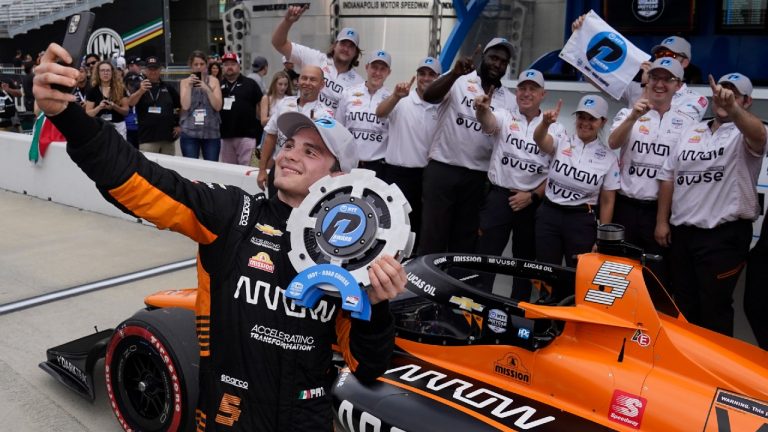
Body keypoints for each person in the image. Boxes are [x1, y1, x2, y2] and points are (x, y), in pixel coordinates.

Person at [34, 42, 406, 432]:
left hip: (306, 419)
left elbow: (366, 366)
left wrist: (377, 308)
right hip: (228, 414)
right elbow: (143, 183)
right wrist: (70, 117)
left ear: (338, 177)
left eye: (311, 151)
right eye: (289, 144)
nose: (290, 154)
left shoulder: (354, 256)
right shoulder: (234, 214)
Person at [656, 73, 767, 337]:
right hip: (682, 234)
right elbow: (669, 176)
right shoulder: (691, 130)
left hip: (722, 238)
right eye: (721, 92)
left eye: (733, 94)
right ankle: (686, 374)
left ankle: (715, 376)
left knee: (714, 310)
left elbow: (759, 136)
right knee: (683, 307)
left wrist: (733, 109)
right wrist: (662, 221)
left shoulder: (746, 131)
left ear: (747, 101)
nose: (724, 97)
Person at [418, 37, 518, 254]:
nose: (497, 64)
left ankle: (454, 287)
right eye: (493, 58)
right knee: (433, 234)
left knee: (464, 239)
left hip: (477, 177)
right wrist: (454, 74)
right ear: (484, 57)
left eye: (503, 61)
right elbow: (429, 96)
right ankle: (424, 287)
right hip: (443, 169)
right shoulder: (460, 79)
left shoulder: (509, 100)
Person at [607, 57, 697, 286]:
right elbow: (613, 143)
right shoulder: (629, 113)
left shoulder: (688, 122)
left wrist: (662, 220)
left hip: (660, 212)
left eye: (668, 79)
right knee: (620, 277)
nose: (660, 84)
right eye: (655, 77)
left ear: (678, 85)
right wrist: (633, 117)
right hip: (625, 207)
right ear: (647, 81)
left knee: (657, 281)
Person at [474, 69, 555, 279]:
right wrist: (482, 110)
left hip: (531, 202)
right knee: (486, 259)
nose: (526, 93)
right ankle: (478, 308)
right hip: (499, 198)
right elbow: (488, 122)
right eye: (522, 88)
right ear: (516, 92)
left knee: (525, 264)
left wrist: (533, 195)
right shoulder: (504, 114)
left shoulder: (556, 128)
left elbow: (556, 172)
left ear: (542, 94)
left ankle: (520, 309)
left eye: (533, 89)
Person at [532, 95, 619, 267]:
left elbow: (608, 201)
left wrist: (602, 238)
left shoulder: (609, 158)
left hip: (581, 221)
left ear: (602, 122)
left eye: (591, 119)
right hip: (550, 214)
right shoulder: (562, 141)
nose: (585, 123)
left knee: (578, 274)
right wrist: (545, 124)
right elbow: (539, 140)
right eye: (581, 117)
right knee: (546, 270)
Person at [375, 56, 441, 251]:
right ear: (417, 76)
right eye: (422, 73)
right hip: (397, 173)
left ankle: (412, 269)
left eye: (431, 74)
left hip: (425, 175)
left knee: (420, 225)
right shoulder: (402, 100)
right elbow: (380, 112)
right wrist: (396, 96)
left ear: (438, 78)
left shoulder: (441, 106)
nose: (426, 78)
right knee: (395, 224)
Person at [258, 65, 334, 196]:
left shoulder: (326, 114)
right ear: (298, 81)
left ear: (322, 84)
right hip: (279, 169)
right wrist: (262, 169)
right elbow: (270, 136)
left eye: (313, 79)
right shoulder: (285, 103)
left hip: (304, 174)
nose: (307, 83)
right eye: (304, 78)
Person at [272, 4, 364, 111]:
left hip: (331, 127)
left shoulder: (359, 83)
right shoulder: (315, 58)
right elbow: (279, 43)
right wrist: (288, 21)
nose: (346, 49)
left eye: (351, 46)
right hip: (303, 123)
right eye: (343, 44)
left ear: (356, 53)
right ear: (334, 46)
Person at [335, 50, 392, 178]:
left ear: (388, 72)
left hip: (378, 166)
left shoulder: (392, 99)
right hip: (349, 164)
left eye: (382, 69)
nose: (377, 72)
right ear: (367, 67)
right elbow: (338, 129)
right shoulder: (348, 93)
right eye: (374, 67)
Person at [127, 56, 181, 155]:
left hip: (167, 138)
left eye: (155, 69)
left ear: (160, 70)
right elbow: (130, 103)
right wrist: (140, 91)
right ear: (145, 70)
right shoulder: (139, 86)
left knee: (167, 168)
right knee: (148, 169)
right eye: (150, 69)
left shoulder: (168, 87)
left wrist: (178, 125)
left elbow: (179, 106)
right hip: (147, 138)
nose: (153, 72)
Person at [218, 52, 264, 166]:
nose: (229, 67)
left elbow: (261, 103)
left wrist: (262, 122)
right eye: (226, 64)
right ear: (222, 67)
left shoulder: (250, 83)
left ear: (239, 66)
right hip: (225, 136)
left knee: (250, 169)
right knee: (229, 171)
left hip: (248, 136)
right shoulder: (218, 85)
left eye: (233, 64)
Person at [179, 50, 223, 161]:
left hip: (211, 131)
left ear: (206, 65)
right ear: (191, 66)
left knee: (211, 168)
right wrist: (189, 87)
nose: (199, 67)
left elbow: (218, 106)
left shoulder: (214, 81)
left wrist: (207, 89)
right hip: (190, 131)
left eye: (202, 64)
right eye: (196, 64)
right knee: (191, 169)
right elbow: (185, 105)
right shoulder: (184, 82)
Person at [85, 61, 129, 139]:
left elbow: (126, 111)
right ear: (98, 73)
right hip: (99, 127)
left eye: (108, 70)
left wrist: (114, 106)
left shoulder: (120, 89)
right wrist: (99, 107)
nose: (105, 73)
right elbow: (88, 114)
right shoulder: (93, 90)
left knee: (118, 150)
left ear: (112, 72)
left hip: (118, 126)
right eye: (102, 70)